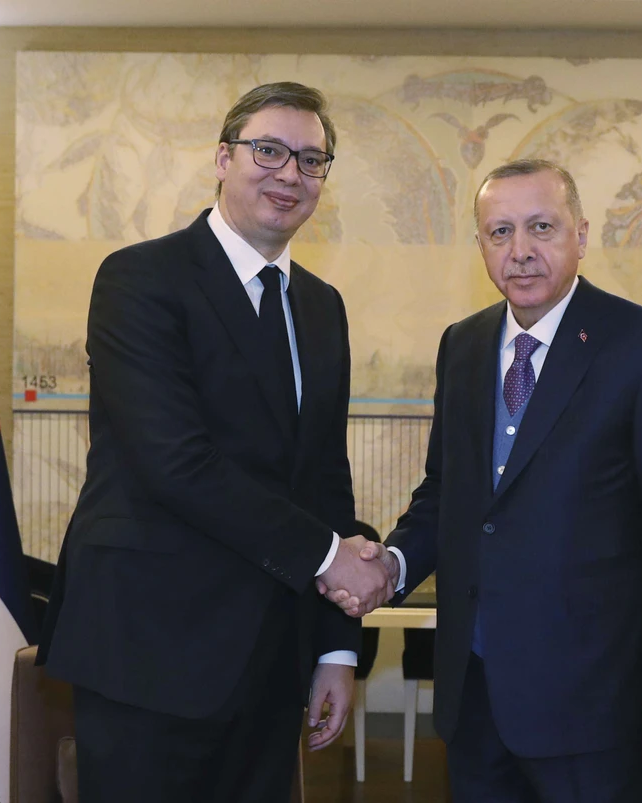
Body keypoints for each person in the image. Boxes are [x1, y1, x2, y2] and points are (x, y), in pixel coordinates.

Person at [36, 82, 393, 803]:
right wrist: (330, 557)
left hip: (271, 656)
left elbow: (325, 477)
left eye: (311, 159)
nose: (290, 173)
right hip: (148, 647)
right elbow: (176, 463)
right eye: (269, 151)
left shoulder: (321, 307)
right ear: (223, 159)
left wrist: (336, 648)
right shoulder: (140, 279)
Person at [322, 159, 642, 801]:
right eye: (500, 232)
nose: (521, 250)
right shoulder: (464, 345)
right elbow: (446, 495)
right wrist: (392, 564)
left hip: (596, 707)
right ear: (480, 245)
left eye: (541, 227)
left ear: (581, 235)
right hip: (475, 699)